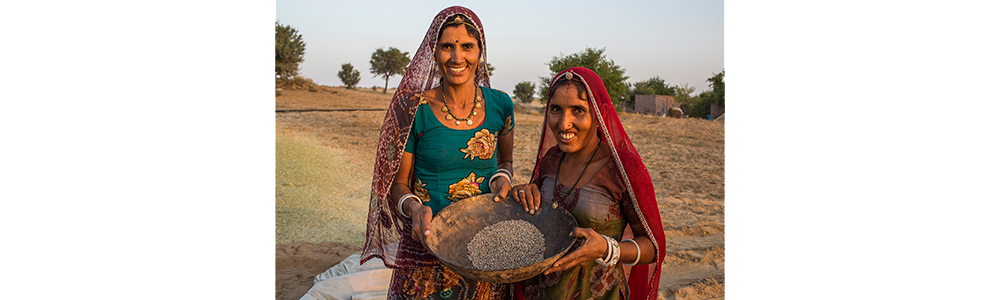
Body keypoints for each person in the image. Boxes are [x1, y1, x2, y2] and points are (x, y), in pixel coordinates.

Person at [361, 6, 516, 300]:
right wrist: (415, 209)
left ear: (480, 53)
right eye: (447, 47)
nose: (457, 58)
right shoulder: (412, 108)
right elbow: (399, 185)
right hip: (427, 243)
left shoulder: (501, 105)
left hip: (485, 242)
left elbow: (505, 162)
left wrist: (501, 179)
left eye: (467, 47)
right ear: (434, 53)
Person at [508, 67, 667, 300]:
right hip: (540, 292)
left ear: (599, 114)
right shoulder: (551, 159)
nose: (564, 124)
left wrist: (607, 248)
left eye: (578, 111)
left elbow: (652, 248)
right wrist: (525, 193)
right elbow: (539, 214)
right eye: (556, 110)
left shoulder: (622, 169)